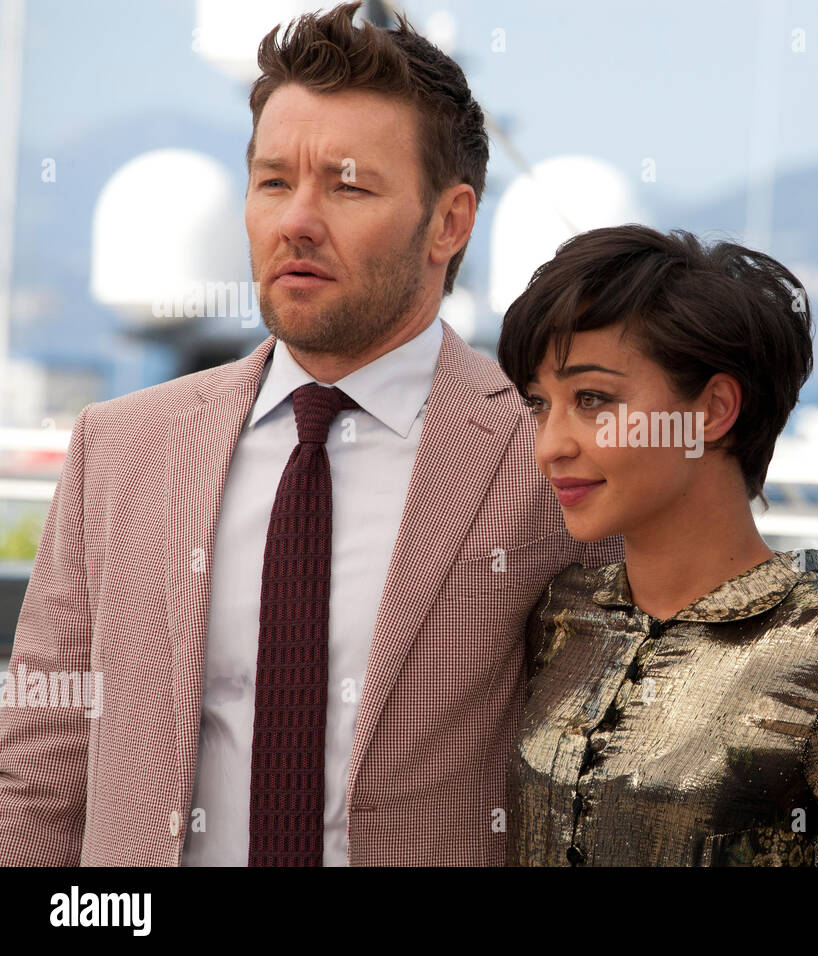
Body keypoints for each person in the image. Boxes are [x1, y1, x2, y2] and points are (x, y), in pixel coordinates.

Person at [0, 2, 620, 867]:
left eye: (348, 184)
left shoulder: (546, 457)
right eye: (274, 181)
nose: (297, 218)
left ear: (450, 222)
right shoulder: (120, 448)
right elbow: (42, 768)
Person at [497, 225, 818, 866]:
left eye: (592, 400)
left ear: (712, 409)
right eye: (540, 403)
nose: (550, 445)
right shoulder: (562, 615)